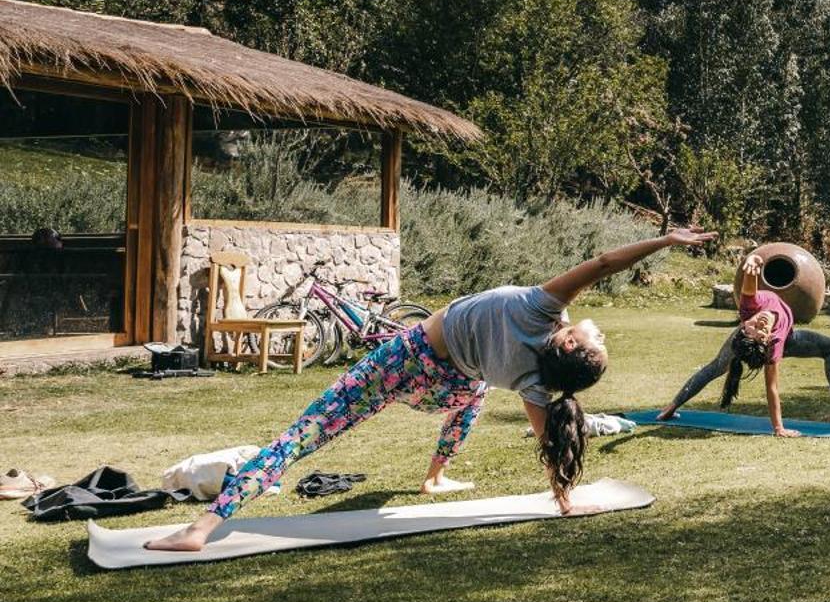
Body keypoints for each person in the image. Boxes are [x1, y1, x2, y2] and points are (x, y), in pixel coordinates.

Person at [143, 226, 719, 551]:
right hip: (450, 384)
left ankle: (201, 529)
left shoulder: (541, 309)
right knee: (473, 394)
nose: (599, 330)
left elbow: (603, 261)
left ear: (570, 344)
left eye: (598, 339)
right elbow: (549, 445)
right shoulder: (536, 384)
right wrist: (565, 499)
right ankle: (436, 474)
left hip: (407, 362)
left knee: (305, 435)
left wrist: (666, 240)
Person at [659, 253, 830, 434]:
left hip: (763, 337)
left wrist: (753, 259)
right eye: (760, 331)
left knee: (829, 346)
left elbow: (751, 275)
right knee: (718, 367)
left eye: (750, 326)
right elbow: (772, 388)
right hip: (786, 339)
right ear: (767, 339)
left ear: (743, 324)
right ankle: (672, 406)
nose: (758, 323)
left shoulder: (749, 308)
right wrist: (779, 428)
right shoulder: (774, 343)